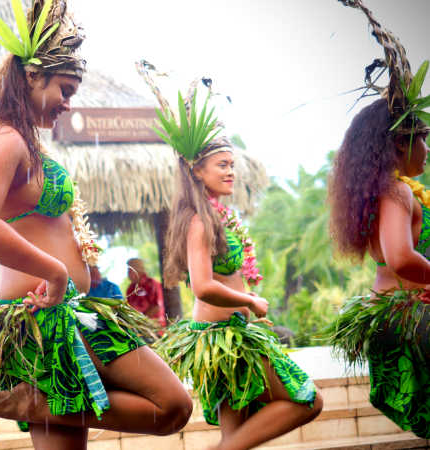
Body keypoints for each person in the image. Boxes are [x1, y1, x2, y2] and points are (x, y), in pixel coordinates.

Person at [0, 1, 191, 448]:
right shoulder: (3, 139)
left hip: (65, 311)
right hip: (44, 316)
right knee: (171, 405)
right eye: (64, 88)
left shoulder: (22, 140)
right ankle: (27, 402)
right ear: (32, 76)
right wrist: (56, 273)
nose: (68, 103)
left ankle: (30, 402)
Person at [139, 62, 322, 450]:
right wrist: (250, 300)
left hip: (231, 337)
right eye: (222, 166)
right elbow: (204, 287)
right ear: (196, 170)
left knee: (236, 435)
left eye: (232, 166)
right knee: (307, 400)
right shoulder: (198, 223)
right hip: (223, 338)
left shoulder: (216, 215)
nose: (231, 173)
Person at [325, 0, 430, 438]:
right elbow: (401, 258)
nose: (426, 149)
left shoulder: (378, 190)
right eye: (422, 138)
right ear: (401, 144)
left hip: (390, 315)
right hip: (407, 317)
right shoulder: (397, 190)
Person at [125, 258, 167, 327]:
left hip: (154, 329)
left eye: (130, 270)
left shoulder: (152, 284)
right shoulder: (130, 289)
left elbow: (157, 307)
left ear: (137, 270)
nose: (128, 274)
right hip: (137, 329)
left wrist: (141, 321)